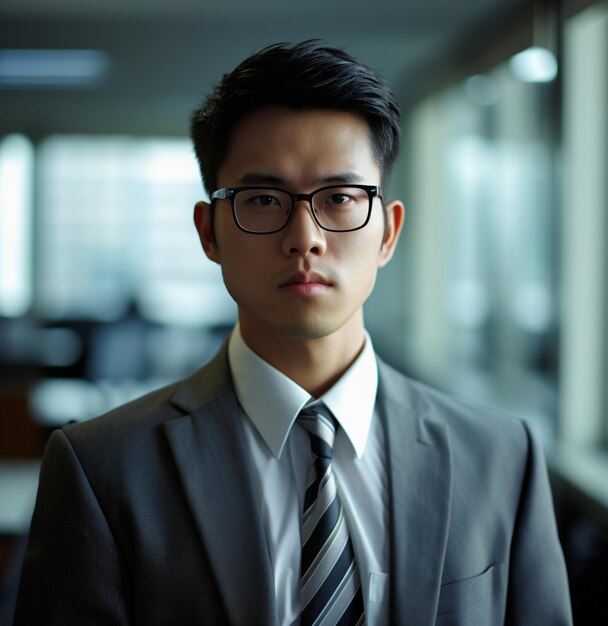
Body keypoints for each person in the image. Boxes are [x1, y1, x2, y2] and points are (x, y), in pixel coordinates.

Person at [14, 41, 572, 625]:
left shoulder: (501, 459)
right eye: (262, 199)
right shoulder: (102, 469)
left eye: (339, 198)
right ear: (209, 233)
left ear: (388, 233)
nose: (304, 237)